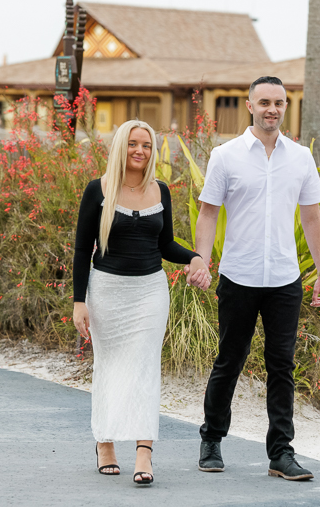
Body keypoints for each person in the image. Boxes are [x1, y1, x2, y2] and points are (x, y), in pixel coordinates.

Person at [192, 76, 320, 481]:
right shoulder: (226, 156)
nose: (273, 108)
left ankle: (281, 453)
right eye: (265, 101)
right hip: (239, 276)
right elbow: (208, 212)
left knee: (282, 366)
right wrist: (201, 258)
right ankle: (212, 439)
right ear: (250, 105)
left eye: (280, 102)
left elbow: (311, 217)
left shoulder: (301, 157)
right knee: (229, 360)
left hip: (285, 280)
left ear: (286, 107)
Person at [72, 120, 211, 486]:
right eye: (133, 143)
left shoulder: (160, 191)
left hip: (150, 292)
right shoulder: (97, 190)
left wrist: (195, 257)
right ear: (121, 146)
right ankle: (105, 443)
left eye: (147, 145)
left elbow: (166, 245)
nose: (140, 151)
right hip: (106, 292)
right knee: (110, 367)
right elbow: (81, 249)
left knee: (145, 368)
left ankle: (144, 452)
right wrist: (78, 302)